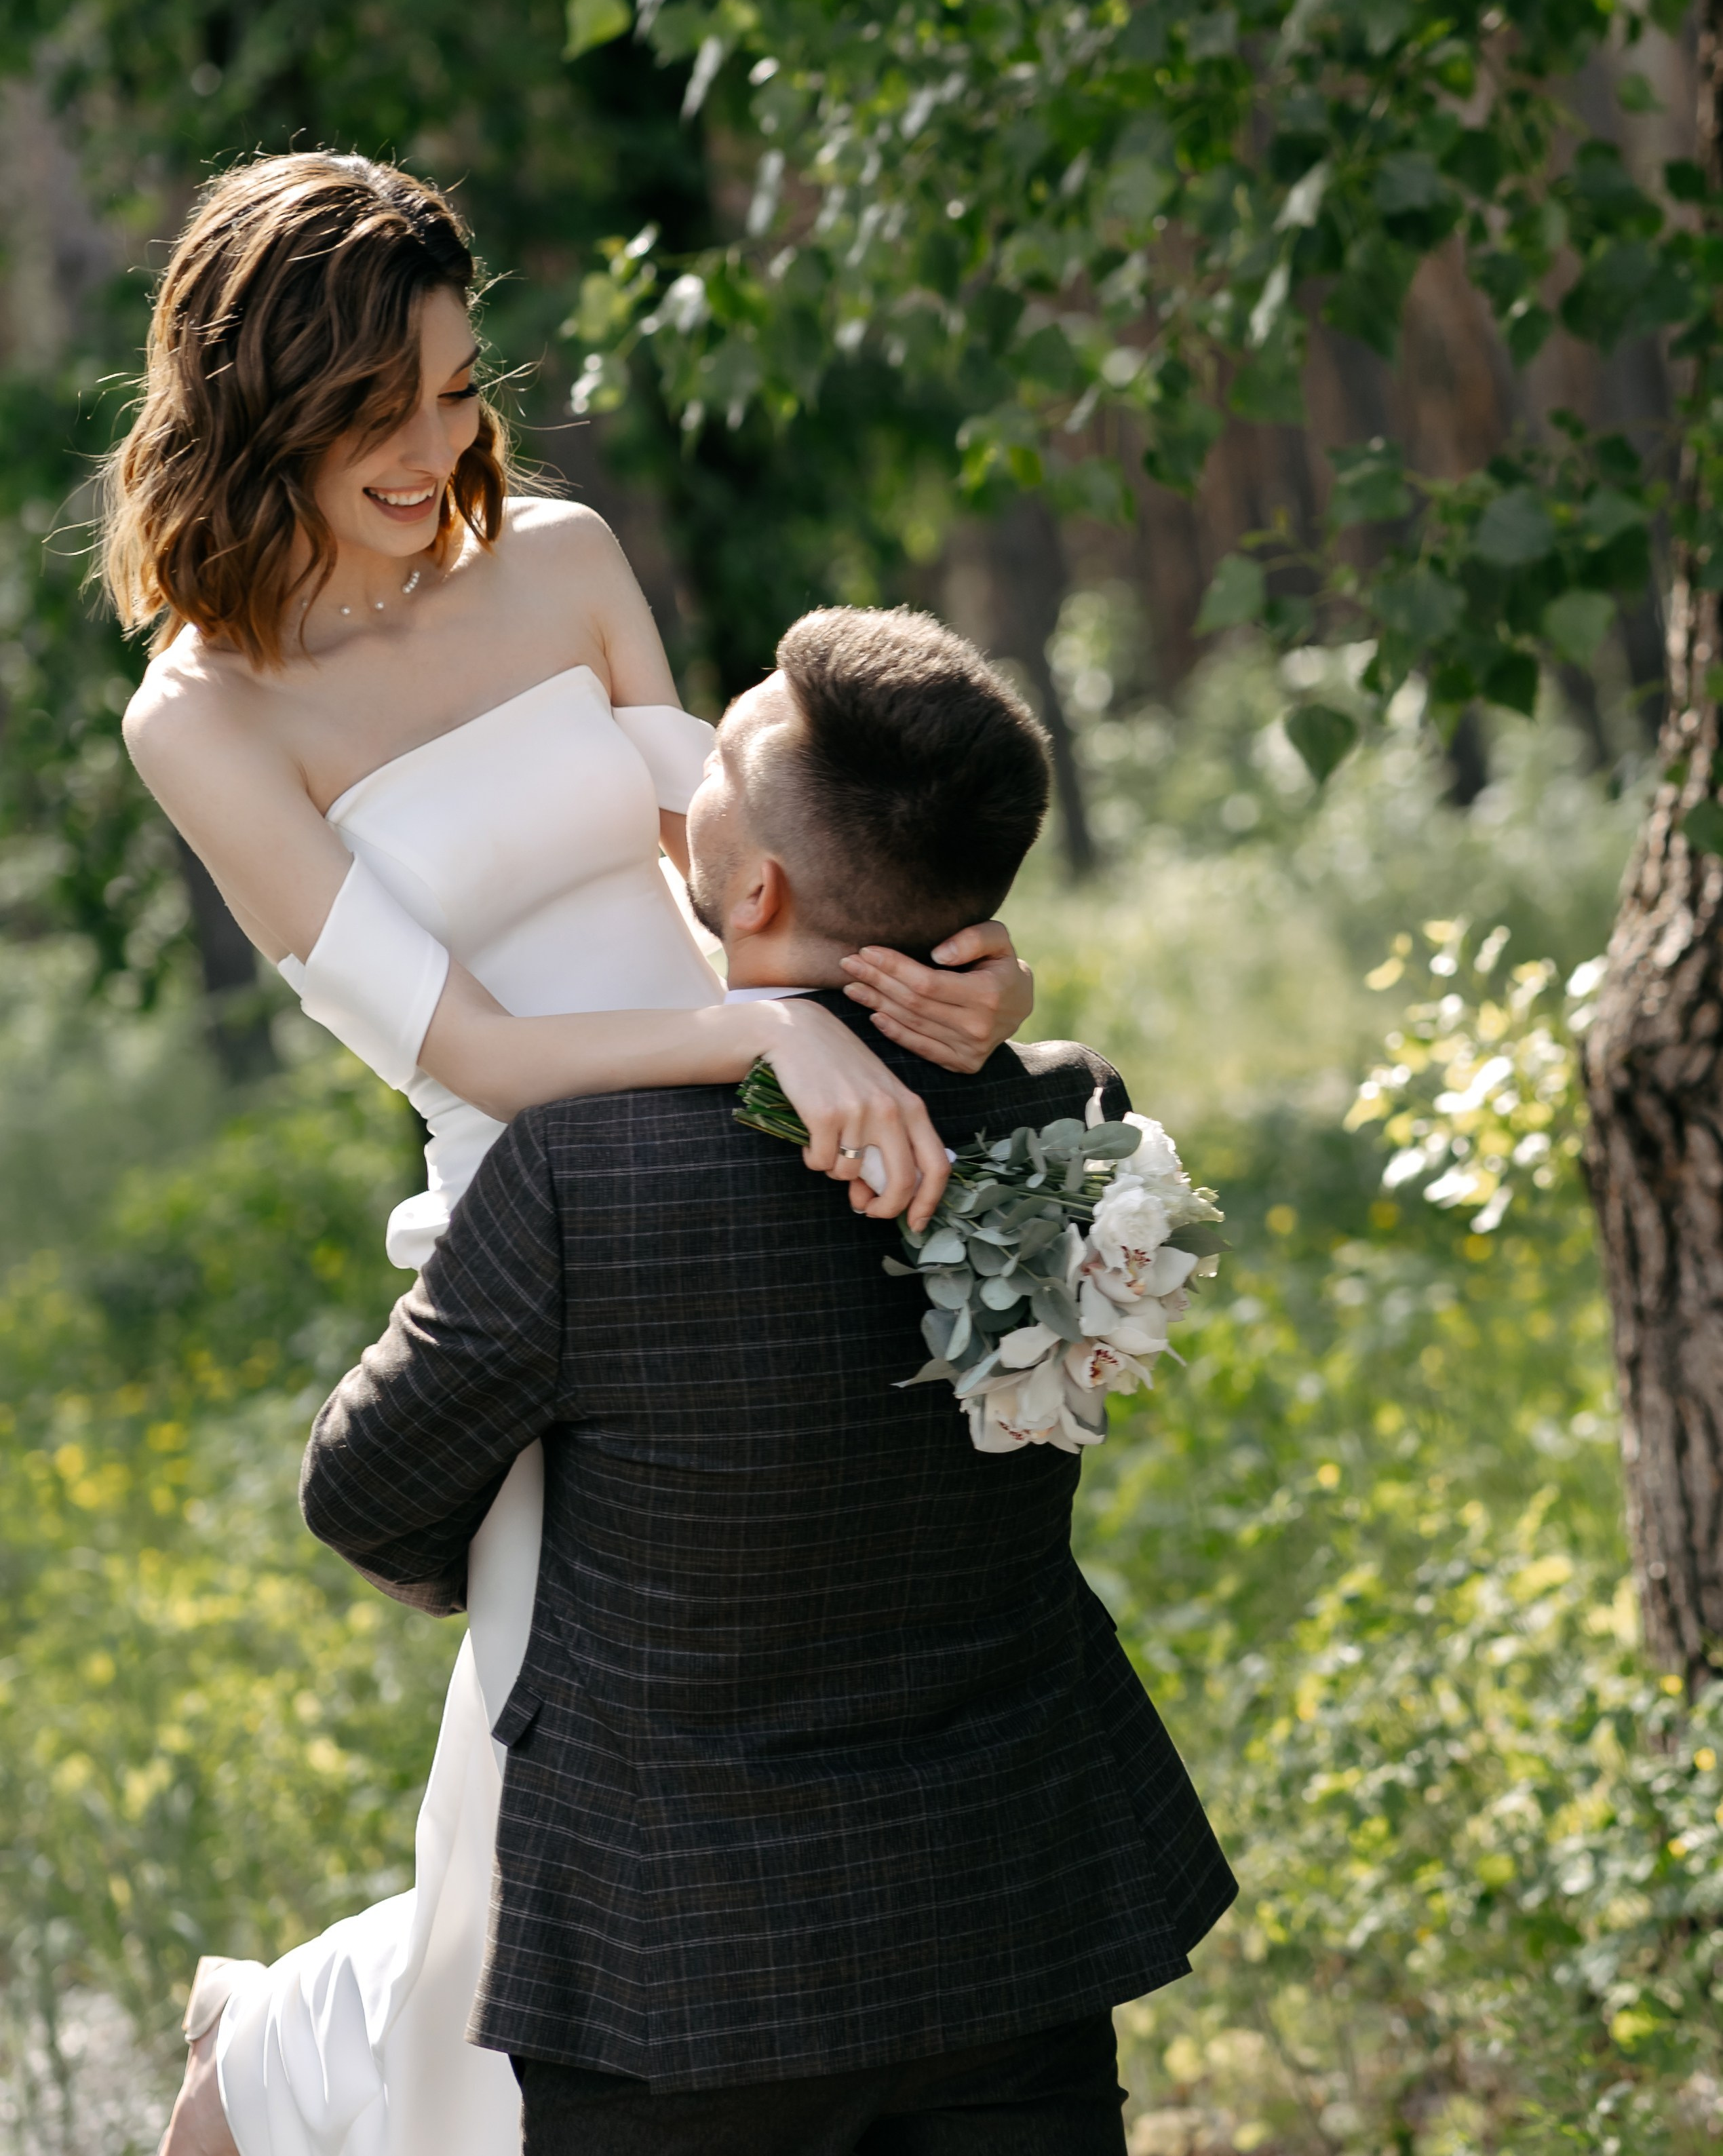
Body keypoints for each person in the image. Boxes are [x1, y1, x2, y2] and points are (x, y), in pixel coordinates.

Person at [106, 153, 1035, 2156]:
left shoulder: (564, 554)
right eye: (378, 410)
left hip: (779, 1182)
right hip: (549, 1270)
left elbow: (742, 868)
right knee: (561, 1801)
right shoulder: (202, 721)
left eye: (456, 391)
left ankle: (272, 2049)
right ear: (260, 407)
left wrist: (944, 978)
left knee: (756, 1750)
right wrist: (759, 1033)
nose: (436, 446)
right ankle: (279, 2070)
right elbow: (476, 1051)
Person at [288, 604, 1237, 2156]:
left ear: (757, 888)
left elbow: (363, 1495)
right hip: (1010, 1929)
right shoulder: (1071, 1127)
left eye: (716, 760)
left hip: (683, 1972)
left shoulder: (582, 1175)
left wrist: (535, 1555)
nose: (680, 773)